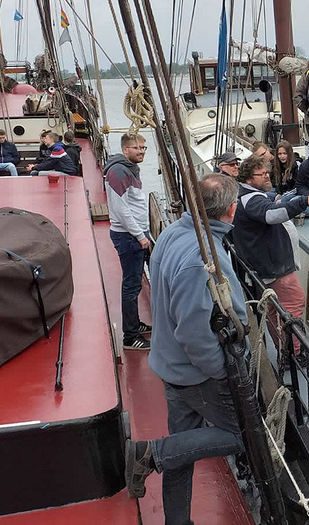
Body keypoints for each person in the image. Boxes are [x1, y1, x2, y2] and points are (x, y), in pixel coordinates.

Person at [124, 174, 248, 524]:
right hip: (198, 374)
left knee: (184, 446)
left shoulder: (173, 234)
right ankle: (150, 454)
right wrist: (219, 371)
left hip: (172, 365)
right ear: (231, 209)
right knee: (242, 436)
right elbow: (194, 328)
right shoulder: (201, 257)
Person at [233, 155, 309, 359]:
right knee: (294, 302)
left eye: (267, 172)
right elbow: (271, 215)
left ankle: (283, 348)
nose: (266, 176)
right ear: (248, 179)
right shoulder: (251, 200)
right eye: (261, 174)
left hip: (264, 264)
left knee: (273, 309)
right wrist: (304, 202)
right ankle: (295, 354)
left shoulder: (248, 195)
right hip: (273, 266)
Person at [105, 133, 153, 350]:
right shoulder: (117, 172)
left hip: (135, 234)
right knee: (132, 286)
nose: (141, 151)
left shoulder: (129, 168)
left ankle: (135, 325)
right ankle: (130, 337)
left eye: (143, 148)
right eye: (137, 148)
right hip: (129, 237)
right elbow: (120, 209)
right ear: (125, 150)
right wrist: (141, 236)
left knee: (133, 284)